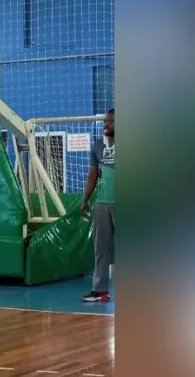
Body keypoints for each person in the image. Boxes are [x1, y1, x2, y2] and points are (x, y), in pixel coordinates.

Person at [81, 108, 115, 302]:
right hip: (102, 203)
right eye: (106, 120)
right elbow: (92, 175)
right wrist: (85, 200)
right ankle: (100, 290)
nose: (107, 124)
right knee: (100, 248)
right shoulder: (97, 146)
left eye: (111, 121)